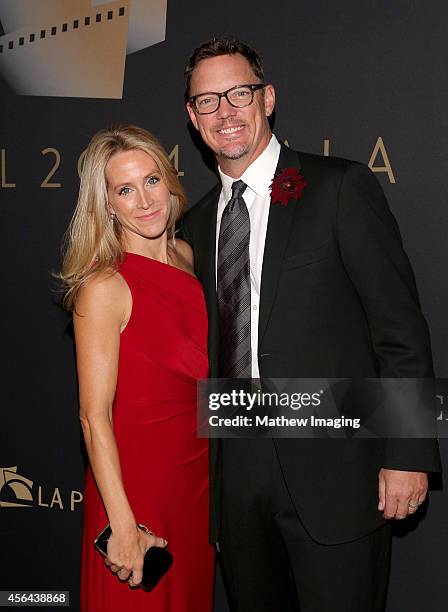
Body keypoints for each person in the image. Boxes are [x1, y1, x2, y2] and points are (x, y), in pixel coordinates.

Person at [181, 37, 441, 611]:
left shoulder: (339, 187)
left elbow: (401, 332)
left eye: (239, 92)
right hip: (238, 482)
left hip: (340, 469)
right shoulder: (194, 225)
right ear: (193, 118)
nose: (225, 111)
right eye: (207, 101)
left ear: (267, 98)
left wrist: (409, 452)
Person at [59, 124, 214, 612]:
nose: (145, 200)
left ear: (169, 181)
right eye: (125, 190)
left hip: (197, 482)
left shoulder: (189, 258)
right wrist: (122, 525)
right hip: (137, 488)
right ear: (106, 205)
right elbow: (93, 416)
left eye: (151, 180)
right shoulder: (104, 287)